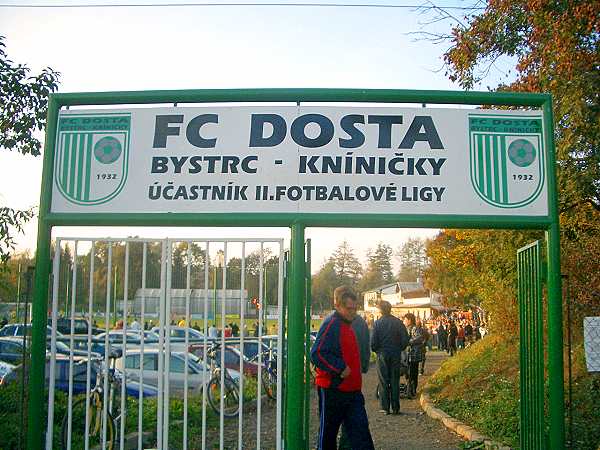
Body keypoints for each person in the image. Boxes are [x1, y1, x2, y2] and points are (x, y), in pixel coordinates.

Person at [310, 286, 375, 450]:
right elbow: (317, 353)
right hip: (333, 389)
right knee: (328, 435)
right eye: (349, 308)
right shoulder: (332, 324)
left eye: (355, 308)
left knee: (361, 433)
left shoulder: (348, 323)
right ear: (337, 306)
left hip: (352, 391)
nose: (353, 312)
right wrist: (340, 367)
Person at [338, 312, 372, 449]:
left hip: (340, 372)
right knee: (352, 408)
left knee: (339, 410)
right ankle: (348, 441)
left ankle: (345, 442)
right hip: (354, 371)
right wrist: (364, 365)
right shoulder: (360, 323)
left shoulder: (334, 322)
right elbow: (365, 344)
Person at [370, 301, 409, 415]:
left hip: (382, 354)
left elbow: (373, 343)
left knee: (383, 381)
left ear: (380, 310)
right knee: (394, 380)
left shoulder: (377, 324)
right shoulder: (398, 322)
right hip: (395, 354)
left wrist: (377, 350)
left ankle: (385, 407)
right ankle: (396, 407)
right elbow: (405, 339)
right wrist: (399, 348)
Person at [403, 313, 425, 398]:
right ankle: (410, 388)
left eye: (405, 320)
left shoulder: (414, 328)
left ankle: (413, 390)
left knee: (413, 373)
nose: (404, 321)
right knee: (409, 373)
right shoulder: (407, 328)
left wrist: (409, 342)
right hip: (409, 355)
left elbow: (419, 338)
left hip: (414, 355)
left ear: (409, 320)